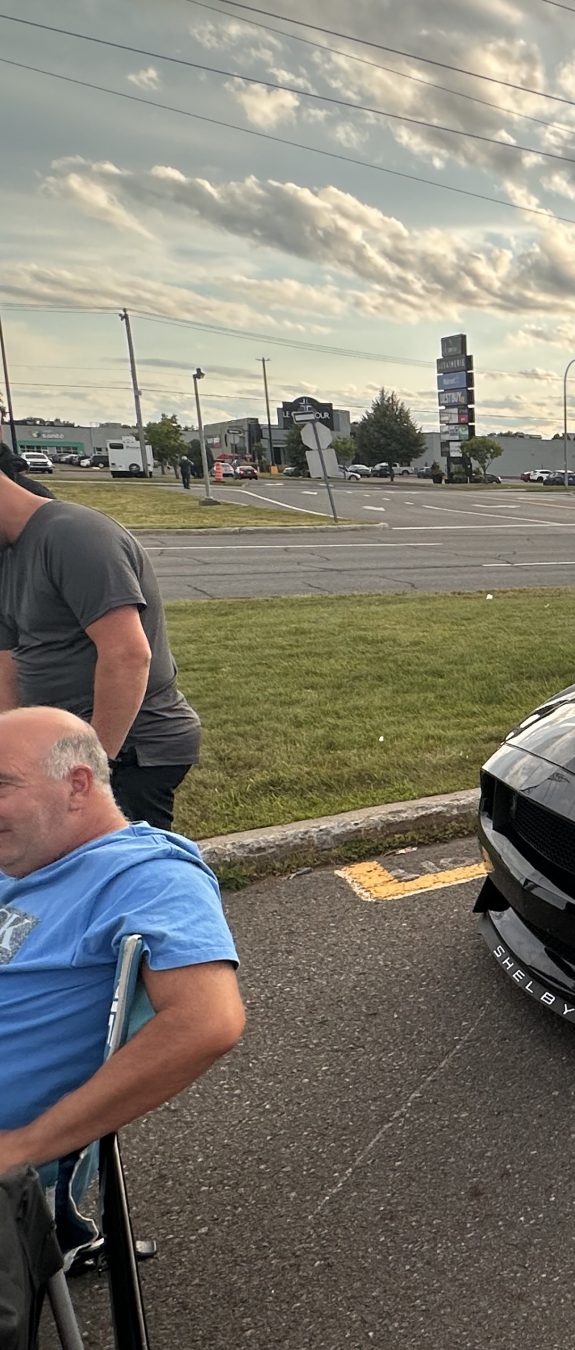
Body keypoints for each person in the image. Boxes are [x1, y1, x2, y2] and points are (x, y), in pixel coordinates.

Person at [0, 707, 243, 1201]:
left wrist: (23, 1147)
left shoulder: (150, 877)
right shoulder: (27, 857)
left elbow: (208, 1021)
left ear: (77, 785)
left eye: (2, 785)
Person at [0, 457, 202, 831]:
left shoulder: (71, 535)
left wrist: (92, 770)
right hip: (59, 753)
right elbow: (6, 664)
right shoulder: (7, 557)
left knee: (120, 863)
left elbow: (127, 655)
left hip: (130, 749)